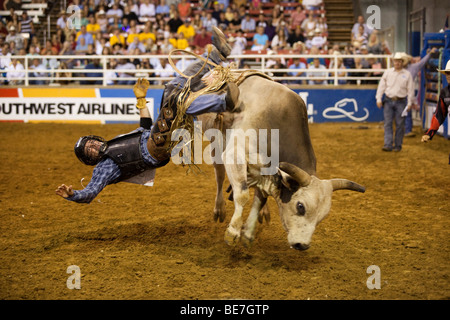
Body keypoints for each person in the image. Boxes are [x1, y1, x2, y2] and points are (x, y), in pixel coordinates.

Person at [55, 28, 240, 203]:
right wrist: (73, 195)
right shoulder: (104, 168)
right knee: (176, 103)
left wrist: (141, 100)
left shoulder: (115, 142)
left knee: (172, 88)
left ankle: (217, 55)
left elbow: (144, 127)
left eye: (91, 143)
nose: (94, 146)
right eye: (90, 150)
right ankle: (224, 102)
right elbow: (90, 192)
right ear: (91, 159)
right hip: (154, 151)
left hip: (153, 137)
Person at [376, 52, 415, 152]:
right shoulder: (388, 72)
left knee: (400, 124)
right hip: (388, 100)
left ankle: (398, 145)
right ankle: (388, 144)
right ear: (393, 62)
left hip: (401, 101)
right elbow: (382, 86)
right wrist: (379, 98)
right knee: (388, 123)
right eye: (396, 61)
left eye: (399, 61)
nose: (397, 63)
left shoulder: (407, 74)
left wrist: (410, 102)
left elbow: (410, 89)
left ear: (402, 62)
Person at [402, 48, 437, 137]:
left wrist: (429, 54)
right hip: (402, 92)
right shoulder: (409, 68)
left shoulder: (412, 67)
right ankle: (406, 129)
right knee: (404, 111)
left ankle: (407, 130)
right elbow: (422, 62)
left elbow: (422, 62)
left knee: (406, 111)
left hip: (405, 92)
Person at [421, 59, 450, 164]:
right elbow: (439, 114)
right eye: (447, 73)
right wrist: (430, 132)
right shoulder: (445, 92)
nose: (448, 76)